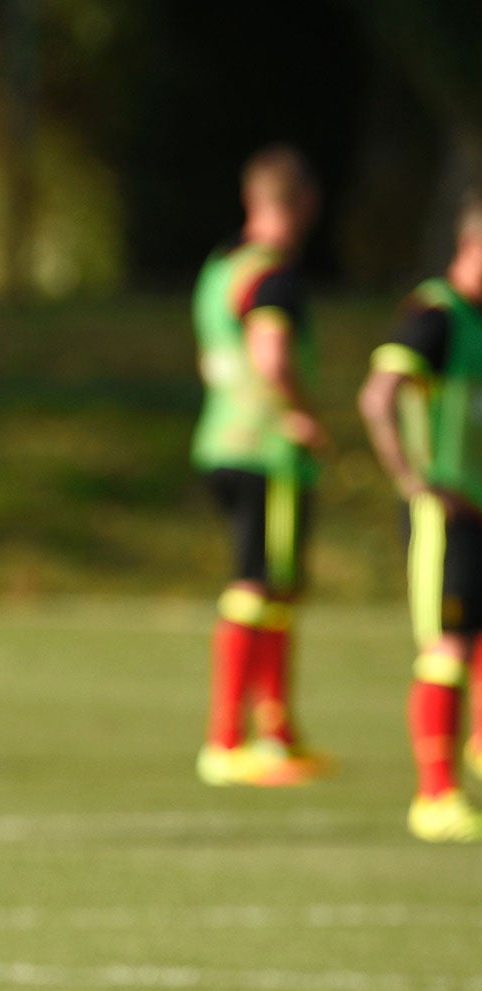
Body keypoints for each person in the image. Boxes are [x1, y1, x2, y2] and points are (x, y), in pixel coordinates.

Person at [190, 145, 330, 788]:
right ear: (301, 205)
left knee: (267, 588)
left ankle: (276, 733)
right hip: (266, 447)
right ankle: (229, 739)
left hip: (220, 438)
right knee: (258, 586)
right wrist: (300, 413)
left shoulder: (221, 269)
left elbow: (209, 359)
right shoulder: (274, 276)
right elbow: (271, 355)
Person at [357, 192, 482, 842]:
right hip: (447, 513)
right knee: (449, 647)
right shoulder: (434, 315)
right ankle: (434, 795)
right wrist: (415, 479)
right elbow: (379, 395)